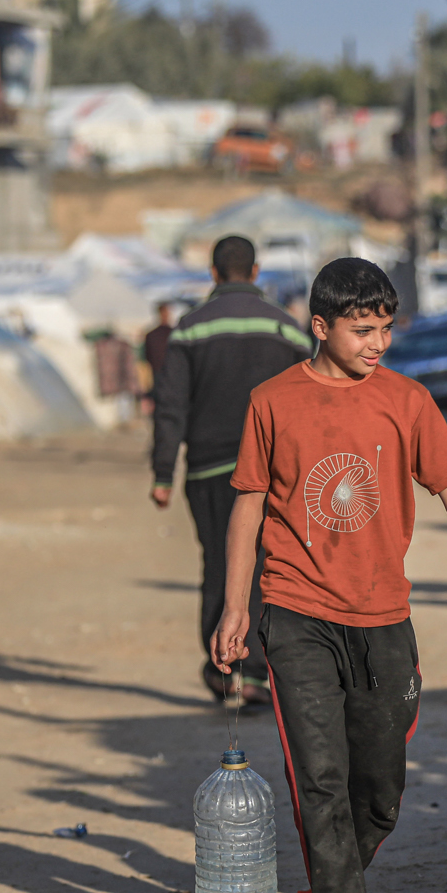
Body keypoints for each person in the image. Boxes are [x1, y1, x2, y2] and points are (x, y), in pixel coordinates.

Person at [213, 257, 447, 893]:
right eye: (363, 330)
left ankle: (342, 868)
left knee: (380, 784)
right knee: (320, 774)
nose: (379, 344)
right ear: (321, 325)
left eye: (387, 329)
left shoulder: (408, 399)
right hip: (297, 610)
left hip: (383, 614)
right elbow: (246, 503)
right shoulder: (272, 401)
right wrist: (236, 604)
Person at [151, 236, 310, 706]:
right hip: (274, 471)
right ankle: (258, 672)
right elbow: (310, 397)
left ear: (214, 274)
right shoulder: (287, 329)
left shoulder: (188, 330)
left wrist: (163, 474)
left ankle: (224, 669)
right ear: (256, 272)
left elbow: (170, 407)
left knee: (219, 564)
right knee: (265, 566)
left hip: (207, 469)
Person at [138, 302, 176, 415]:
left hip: (166, 374)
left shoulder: (154, 334)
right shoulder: (172, 333)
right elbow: (146, 358)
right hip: (163, 375)